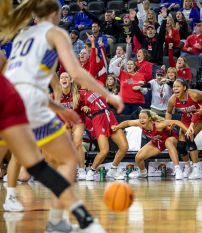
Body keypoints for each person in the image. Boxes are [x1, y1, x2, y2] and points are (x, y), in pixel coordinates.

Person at [1, 0, 124, 231]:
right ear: (56, 12)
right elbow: (76, 73)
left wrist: (59, 109)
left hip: (8, 98)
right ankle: (66, 221)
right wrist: (110, 95)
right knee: (67, 160)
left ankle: (58, 219)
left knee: (39, 166)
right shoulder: (56, 33)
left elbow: (17, 80)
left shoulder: (22, 37)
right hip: (27, 100)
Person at [111, 109, 191, 180]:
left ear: (149, 118)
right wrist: (117, 127)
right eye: (140, 117)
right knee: (138, 157)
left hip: (171, 139)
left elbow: (176, 122)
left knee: (168, 142)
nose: (141, 120)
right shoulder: (140, 123)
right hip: (157, 142)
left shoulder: (158, 125)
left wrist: (188, 130)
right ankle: (143, 173)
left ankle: (178, 170)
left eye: (144, 117)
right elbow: (127, 122)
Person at [166, 79, 202, 179]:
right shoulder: (172, 100)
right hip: (186, 119)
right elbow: (168, 112)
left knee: (190, 137)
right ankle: (187, 166)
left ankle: (196, 169)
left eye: (178, 86)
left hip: (200, 118)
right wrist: (168, 124)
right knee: (180, 146)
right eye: (174, 87)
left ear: (184, 87)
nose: (175, 89)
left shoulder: (194, 94)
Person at [58, 72, 86, 180]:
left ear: (71, 80)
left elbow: (86, 104)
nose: (64, 79)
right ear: (59, 81)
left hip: (78, 121)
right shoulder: (56, 95)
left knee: (77, 143)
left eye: (66, 77)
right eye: (61, 77)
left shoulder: (78, 94)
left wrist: (86, 108)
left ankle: (82, 169)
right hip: (64, 122)